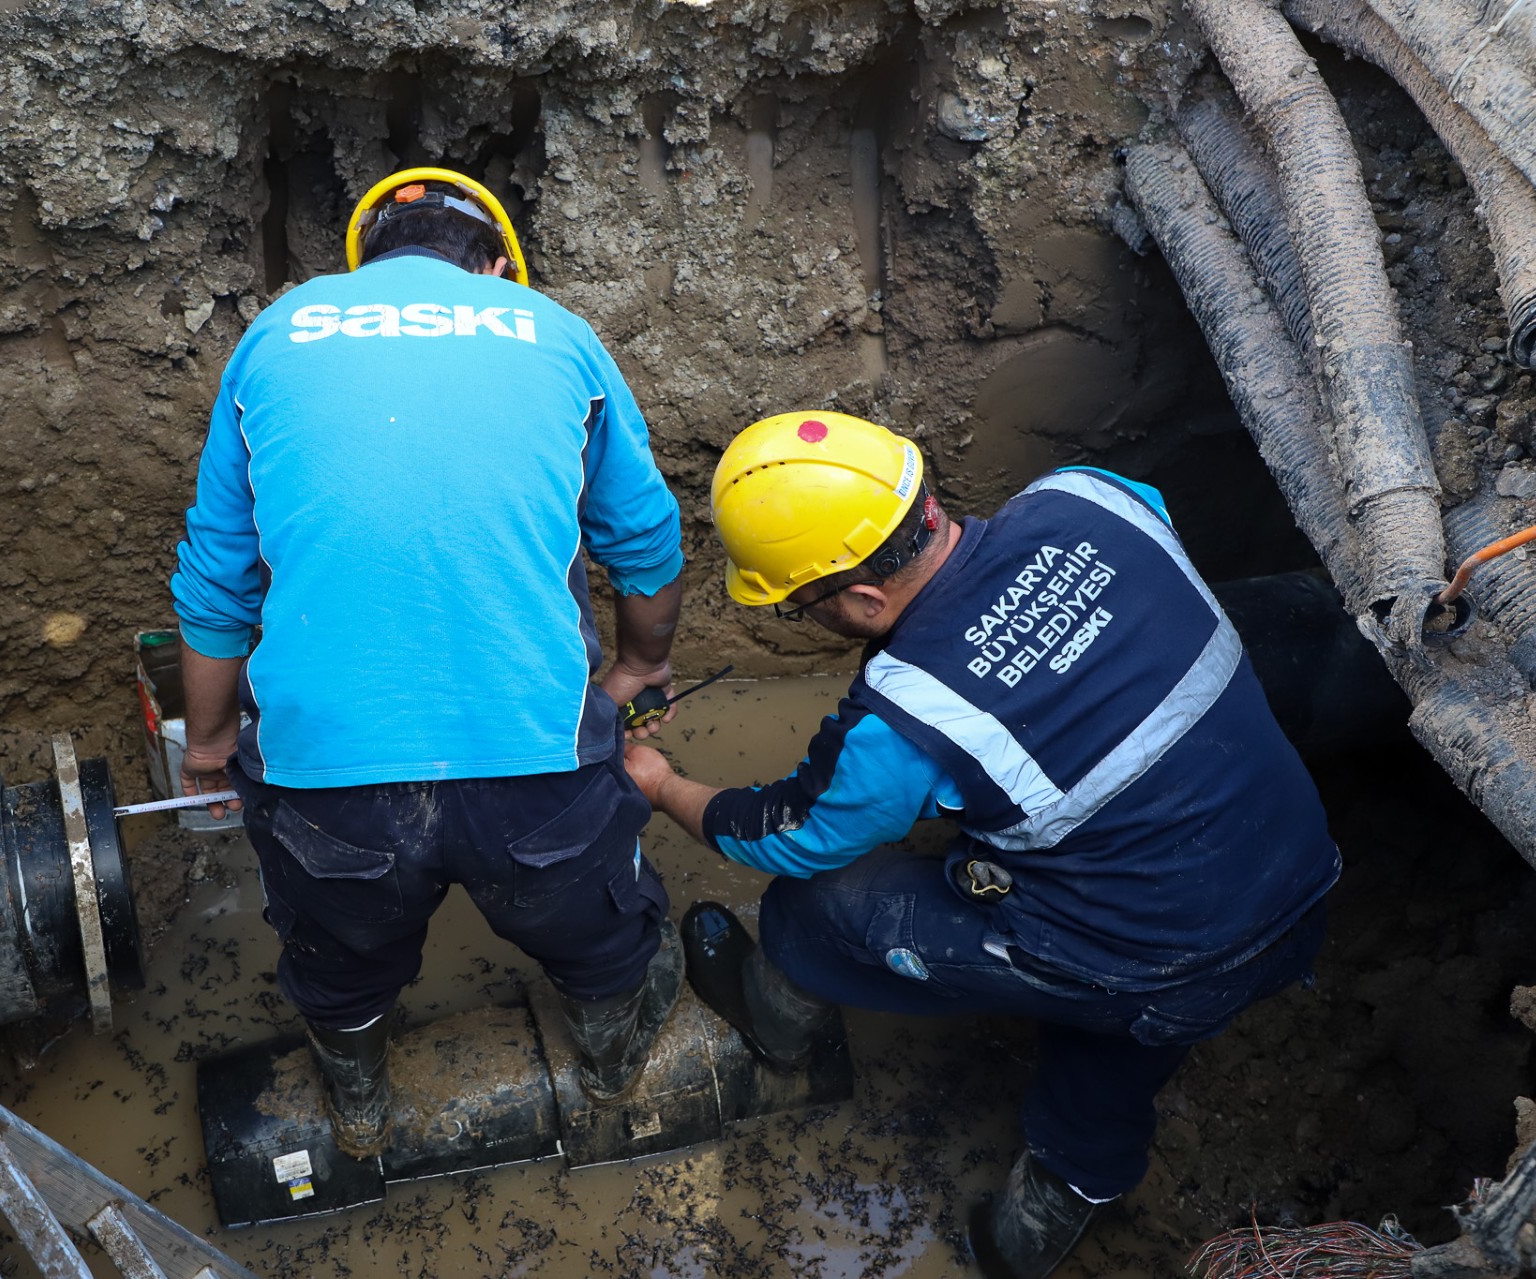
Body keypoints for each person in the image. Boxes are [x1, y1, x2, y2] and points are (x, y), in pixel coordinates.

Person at [625, 411, 1339, 1279]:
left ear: (861, 599)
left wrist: (662, 785)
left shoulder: (906, 715)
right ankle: (1040, 1223)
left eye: (797, 602)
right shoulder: (1090, 495)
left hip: (1156, 963)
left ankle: (781, 1030)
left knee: (814, 907)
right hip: (1300, 872)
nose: (800, 616)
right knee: (1114, 1046)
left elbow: (798, 834)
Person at [169, 167, 687, 1157]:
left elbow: (216, 585)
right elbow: (648, 540)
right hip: (538, 764)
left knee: (339, 961)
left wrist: (208, 743)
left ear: (369, 262)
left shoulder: (278, 334)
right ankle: (611, 1068)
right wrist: (637, 671)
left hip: (330, 777)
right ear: (494, 266)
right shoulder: (552, 330)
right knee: (601, 940)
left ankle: (359, 1109)